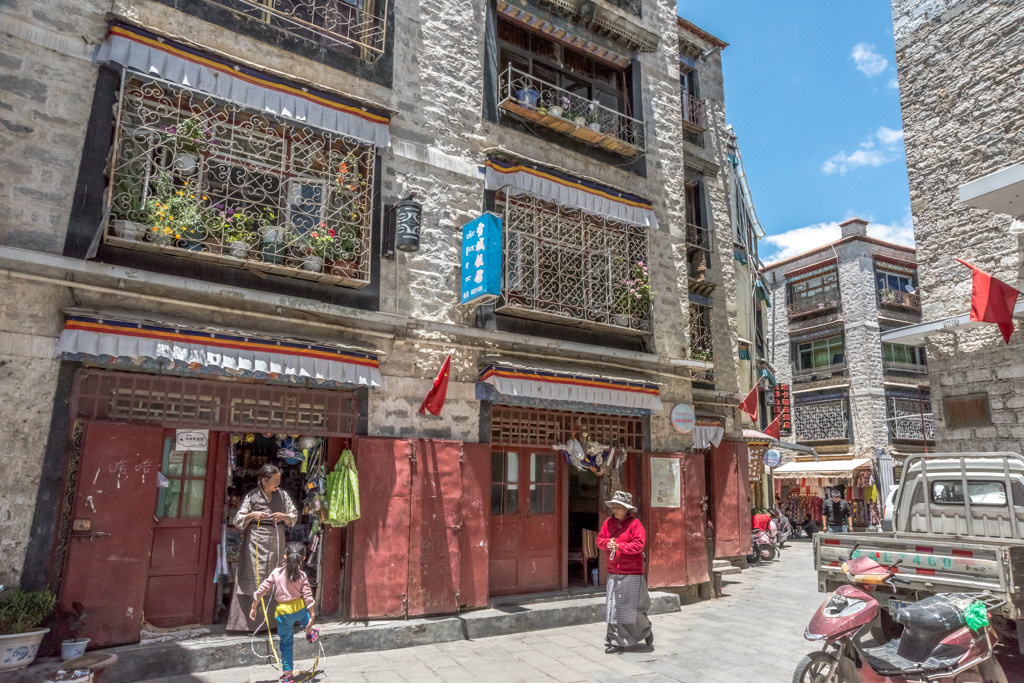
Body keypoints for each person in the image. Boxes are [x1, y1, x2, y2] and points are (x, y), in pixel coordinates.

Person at [227, 464, 299, 632]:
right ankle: (249, 623)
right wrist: (251, 515)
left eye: (279, 480)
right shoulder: (252, 496)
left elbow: (294, 515)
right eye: (274, 480)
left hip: (276, 538)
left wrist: (284, 516)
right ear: (264, 480)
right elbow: (237, 520)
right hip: (255, 540)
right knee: (253, 575)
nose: (278, 483)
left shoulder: (282, 495)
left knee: (275, 575)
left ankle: (274, 622)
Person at [596, 490, 653, 653]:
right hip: (614, 572)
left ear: (627, 509)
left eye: (618, 507)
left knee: (632, 608)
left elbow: (638, 545)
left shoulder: (635, 524)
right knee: (614, 607)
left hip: (631, 572)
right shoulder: (608, 523)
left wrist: (619, 546)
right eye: (614, 507)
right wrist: (608, 543)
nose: (614, 510)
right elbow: (599, 540)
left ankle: (645, 629)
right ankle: (616, 641)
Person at [251, 546, 319, 683]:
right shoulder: (302, 575)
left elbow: (262, 589)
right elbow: (307, 596)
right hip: (299, 609)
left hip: (284, 613)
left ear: (284, 556)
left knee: (286, 644)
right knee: (305, 617)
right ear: (303, 558)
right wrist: (312, 617)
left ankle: (288, 675)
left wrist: (254, 606)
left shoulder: (276, 573)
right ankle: (310, 633)